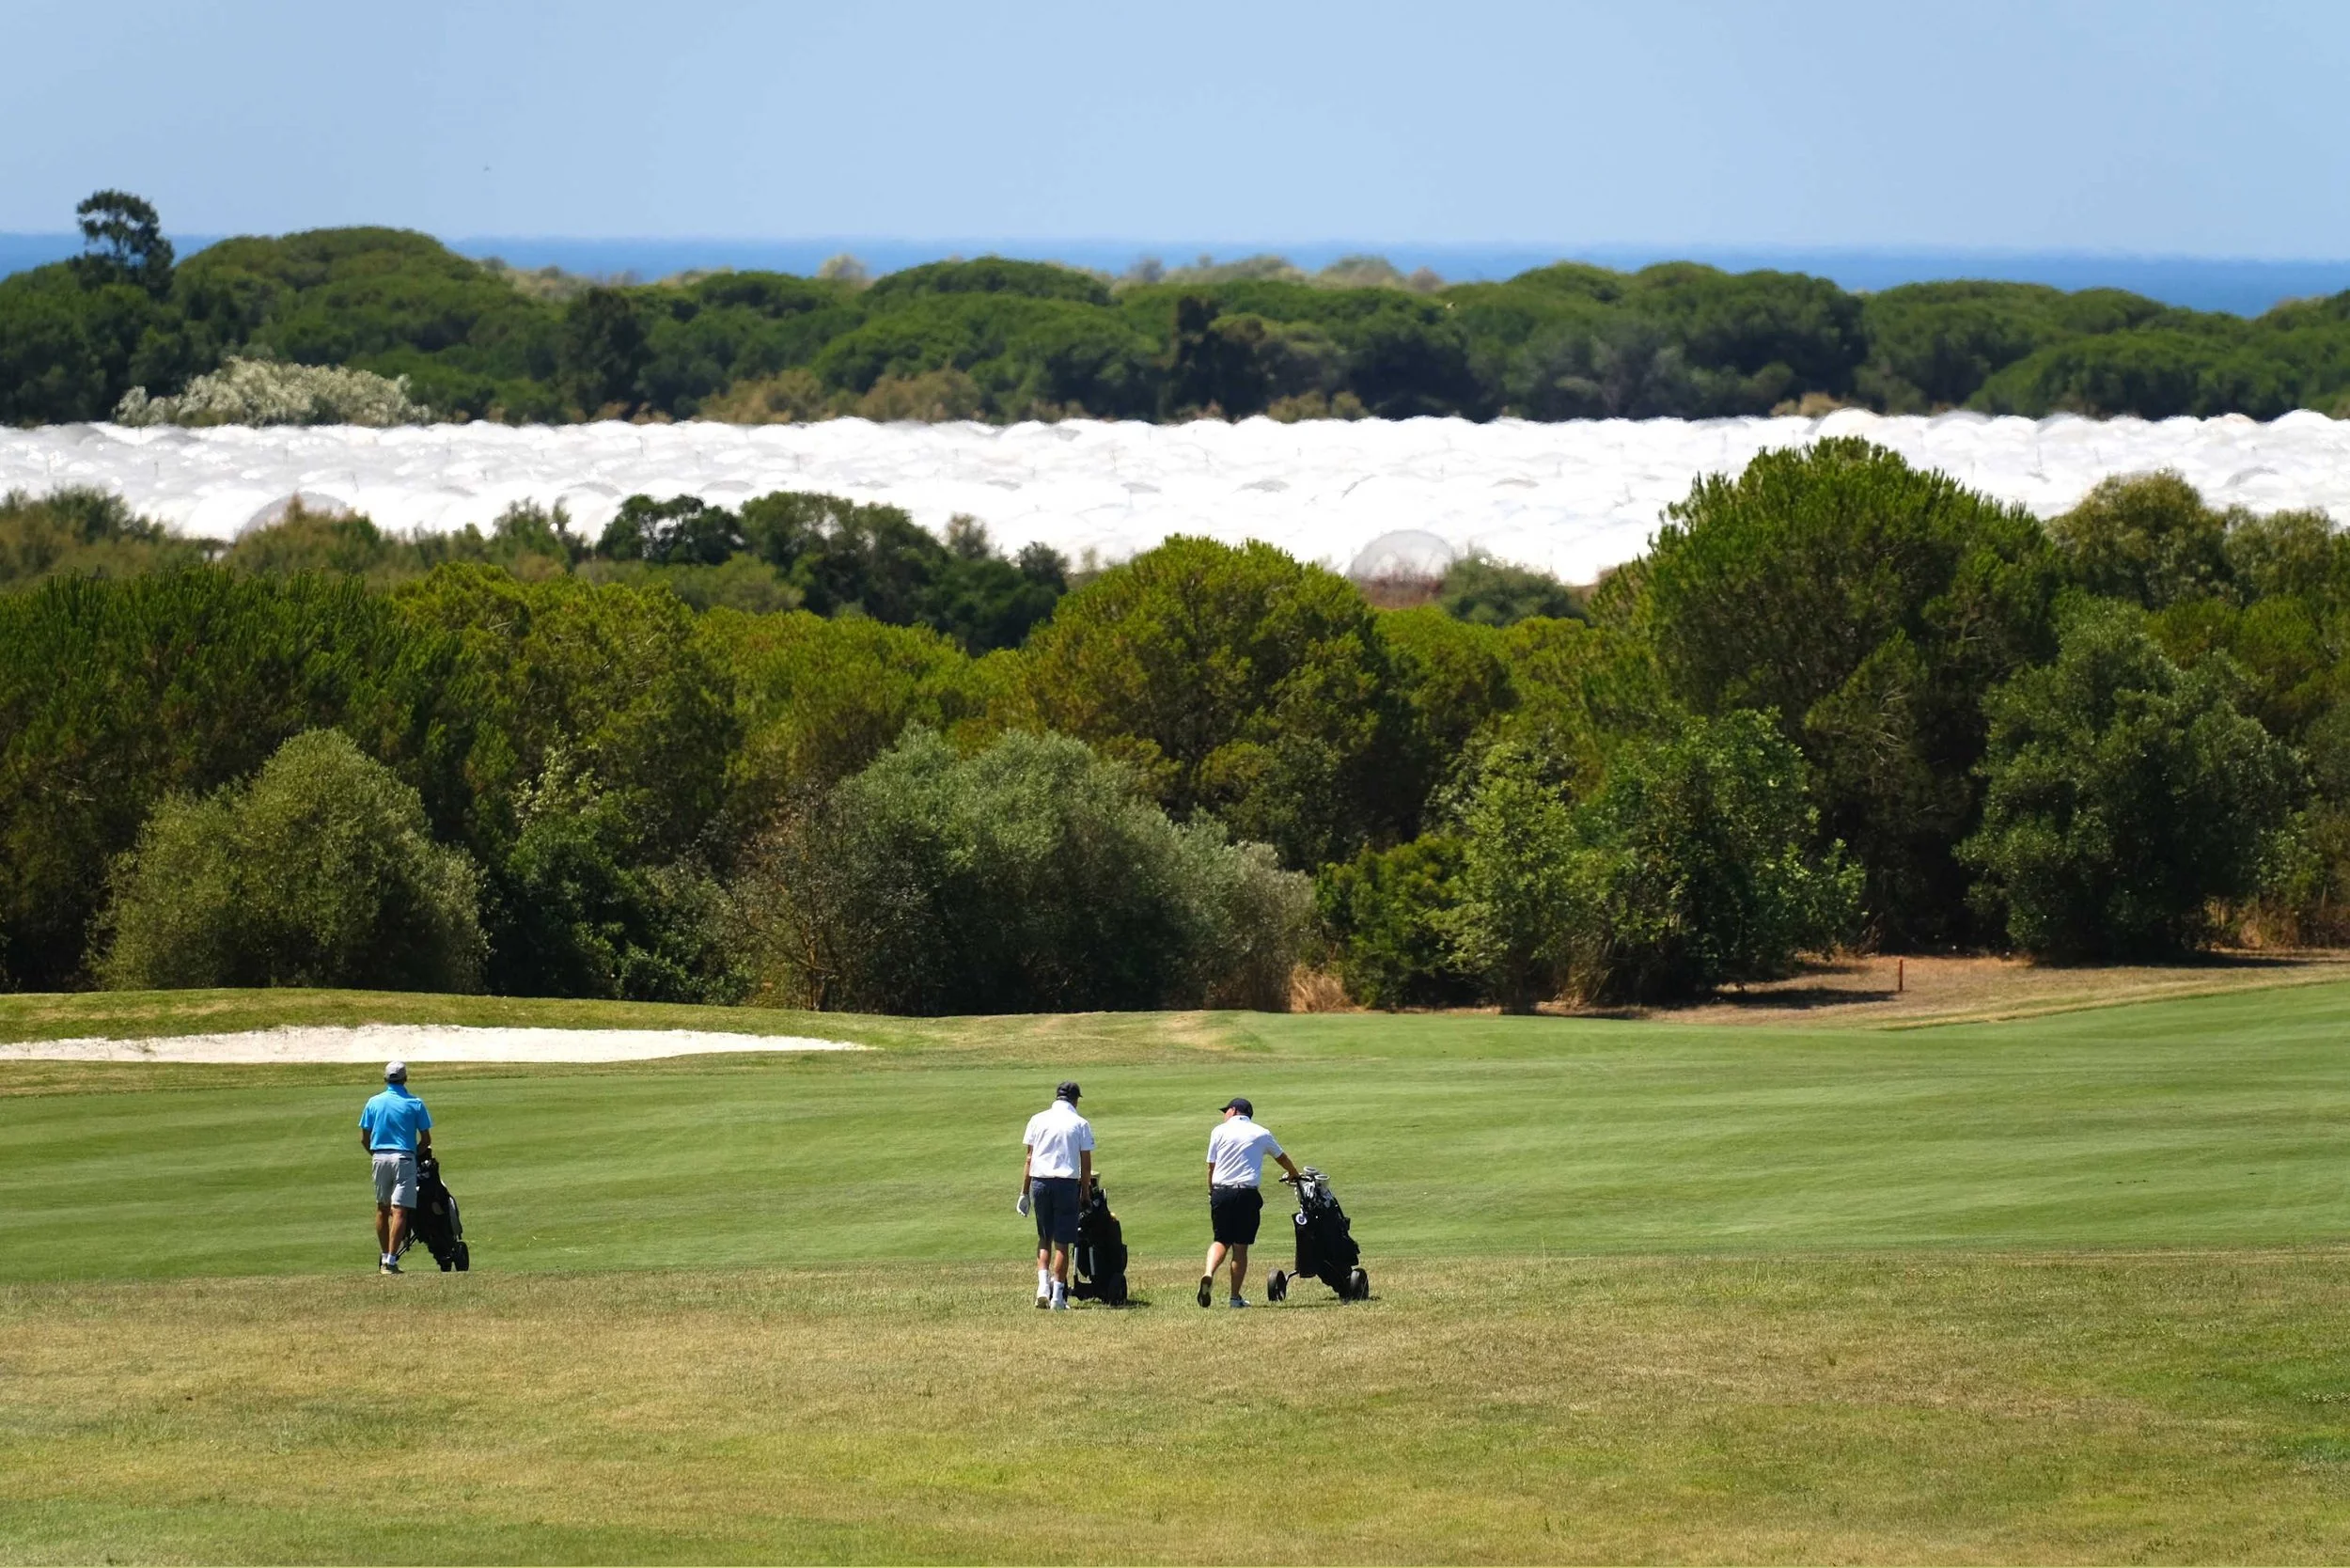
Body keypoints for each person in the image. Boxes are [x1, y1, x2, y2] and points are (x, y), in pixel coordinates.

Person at [1199, 1096, 1302, 1309]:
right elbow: (1282, 1158)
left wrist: (1211, 1192)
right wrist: (1294, 1173)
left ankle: (1208, 1273)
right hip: (1246, 1194)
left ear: (1234, 1111)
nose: (1225, 1115)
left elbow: (1211, 1167)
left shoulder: (1218, 1131)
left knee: (1220, 1240)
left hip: (1221, 1192)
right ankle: (1234, 1298)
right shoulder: (1261, 1132)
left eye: (1226, 1111)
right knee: (1240, 1248)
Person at [1019, 1080, 1094, 1310]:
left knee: (1044, 1237)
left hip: (1040, 1183)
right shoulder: (1080, 1123)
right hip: (1066, 1184)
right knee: (1062, 1242)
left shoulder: (1037, 1119)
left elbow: (1029, 1159)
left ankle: (1043, 1288)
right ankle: (1058, 1298)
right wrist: (1085, 1193)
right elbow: (1086, 1164)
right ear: (1075, 1100)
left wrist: (1024, 1193)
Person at [359, 1059, 433, 1276]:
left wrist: (376, 1155)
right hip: (404, 1158)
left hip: (379, 1157)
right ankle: (391, 1261)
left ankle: (384, 1257)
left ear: (385, 1079)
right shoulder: (415, 1103)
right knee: (400, 1210)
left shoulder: (373, 1102)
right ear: (405, 1079)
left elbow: (364, 1138)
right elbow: (426, 1140)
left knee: (382, 1208)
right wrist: (414, 1154)